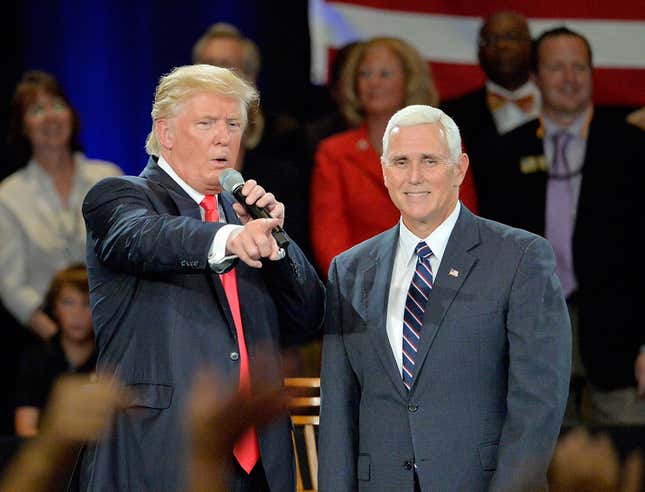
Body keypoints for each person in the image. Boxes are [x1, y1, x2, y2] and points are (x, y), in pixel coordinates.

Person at [78, 64, 324, 491]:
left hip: (259, 459)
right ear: (167, 133)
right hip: (160, 452)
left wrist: (277, 244)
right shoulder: (120, 197)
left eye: (233, 124)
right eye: (206, 123)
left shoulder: (248, 216)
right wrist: (231, 238)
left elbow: (310, 316)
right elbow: (145, 238)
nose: (223, 137)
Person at [318, 104, 571, 491]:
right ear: (385, 170)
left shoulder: (519, 257)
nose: (414, 176)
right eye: (401, 162)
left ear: (460, 168)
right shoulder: (349, 270)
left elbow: (538, 401)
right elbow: (338, 407)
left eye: (430, 161)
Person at [479, 27, 645, 424]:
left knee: (629, 468)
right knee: (543, 473)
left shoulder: (633, 146)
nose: (569, 78)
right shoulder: (504, 152)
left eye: (579, 67)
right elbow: (491, 258)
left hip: (623, 342)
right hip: (532, 340)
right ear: (535, 76)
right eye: (556, 67)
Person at [0, 70, 120, 434]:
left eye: (56, 105)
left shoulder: (107, 177)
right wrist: (60, 337)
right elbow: (10, 283)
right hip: (46, 345)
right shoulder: (10, 194)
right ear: (22, 127)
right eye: (36, 110)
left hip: (111, 337)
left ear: (72, 114)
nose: (50, 117)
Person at [310, 37, 478, 277]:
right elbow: (329, 238)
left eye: (385, 74)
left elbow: (463, 221)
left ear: (409, 82)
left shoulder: (446, 145)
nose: (373, 83)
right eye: (365, 74)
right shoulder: (334, 152)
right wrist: (360, 288)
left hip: (439, 282)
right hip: (363, 288)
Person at [192, 22, 310, 255]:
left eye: (225, 66)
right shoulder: (177, 160)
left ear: (250, 77)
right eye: (207, 66)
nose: (213, 76)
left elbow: (295, 259)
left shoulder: (284, 146)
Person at [441, 11, 539, 218]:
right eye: (492, 39)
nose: (502, 46)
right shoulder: (451, 116)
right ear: (479, 52)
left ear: (532, 47)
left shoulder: (559, 107)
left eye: (511, 37)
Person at [14, 264, 96, 437]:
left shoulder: (110, 358)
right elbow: (25, 428)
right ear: (54, 308)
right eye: (68, 302)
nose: (77, 313)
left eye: (87, 303)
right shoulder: (36, 358)